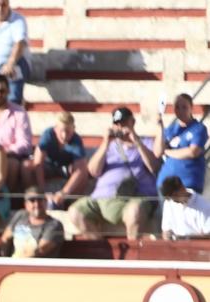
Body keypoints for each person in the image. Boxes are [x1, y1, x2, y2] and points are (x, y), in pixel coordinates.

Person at [68, 107, 158, 241]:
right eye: (117, 124)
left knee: (134, 213)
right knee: (75, 212)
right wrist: (105, 143)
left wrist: (136, 142)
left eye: (123, 123)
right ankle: (99, 252)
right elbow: (93, 171)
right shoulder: (109, 146)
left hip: (133, 199)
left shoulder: (147, 143)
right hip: (101, 198)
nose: (120, 127)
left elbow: (154, 167)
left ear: (132, 122)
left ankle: (133, 257)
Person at [154, 93, 207, 195]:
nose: (180, 110)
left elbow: (193, 152)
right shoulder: (170, 130)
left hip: (188, 183)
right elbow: (157, 152)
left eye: (184, 107)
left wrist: (167, 151)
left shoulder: (198, 128)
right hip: (165, 183)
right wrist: (160, 126)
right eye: (177, 107)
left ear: (191, 108)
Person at [32, 110, 87, 206]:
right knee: (27, 167)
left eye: (68, 132)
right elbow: (38, 163)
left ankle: (71, 204)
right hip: (48, 166)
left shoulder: (76, 140)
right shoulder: (48, 135)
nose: (64, 136)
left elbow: (80, 169)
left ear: (74, 129)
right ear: (55, 128)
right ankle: (34, 199)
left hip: (65, 169)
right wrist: (43, 190)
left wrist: (64, 192)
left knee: (84, 174)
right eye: (61, 131)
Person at [0, 185, 62, 257]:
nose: (37, 204)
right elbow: (5, 238)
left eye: (40, 199)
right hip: (13, 264)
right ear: (26, 204)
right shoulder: (20, 215)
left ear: (45, 201)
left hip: (37, 266)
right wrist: (5, 261)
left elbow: (40, 251)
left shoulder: (55, 225)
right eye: (32, 200)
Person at [159, 175, 210, 240]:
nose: (173, 200)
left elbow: (208, 235)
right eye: (170, 198)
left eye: (175, 195)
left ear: (182, 188)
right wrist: (167, 235)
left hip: (197, 247)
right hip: (174, 247)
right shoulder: (168, 203)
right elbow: (165, 230)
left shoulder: (204, 204)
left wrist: (186, 238)